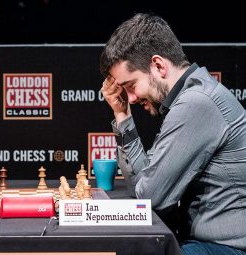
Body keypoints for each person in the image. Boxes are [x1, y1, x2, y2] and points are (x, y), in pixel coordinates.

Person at [100, 13, 246, 255]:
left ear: (158, 65)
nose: (132, 98)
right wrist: (122, 113)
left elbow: (148, 198)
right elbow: (142, 187)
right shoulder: (185, 100)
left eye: (131, 86)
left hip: (228, 248)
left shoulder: (197, 103)